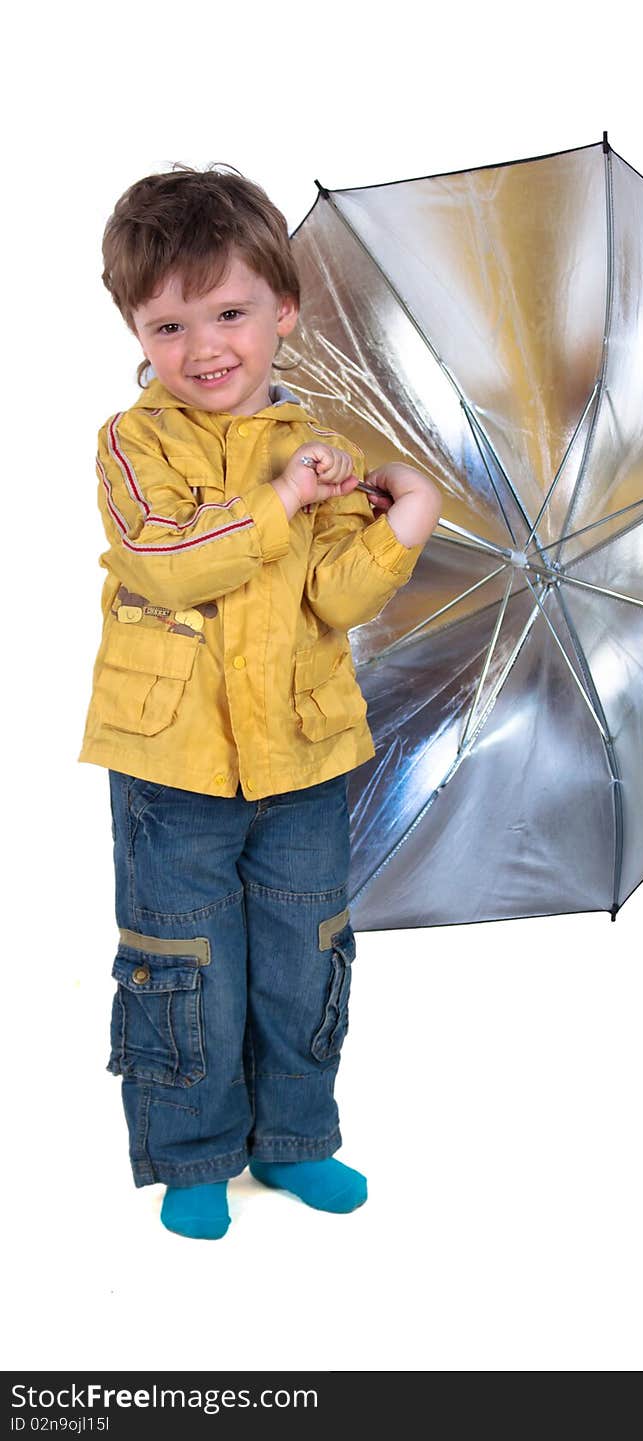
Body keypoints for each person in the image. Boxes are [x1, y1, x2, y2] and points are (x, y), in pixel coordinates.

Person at [78, 163, 442, 1240]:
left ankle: (294, 1139)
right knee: (185, 957)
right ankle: (193, 1151)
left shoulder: (318, 445)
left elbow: (334, 595)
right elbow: (168, 563)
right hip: (175, 764)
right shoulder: (132, 443)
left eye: (230, 312)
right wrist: (280, 498)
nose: (204, 348)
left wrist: (399, 517)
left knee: (302, 953)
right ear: (137, 332)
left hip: (302, 755)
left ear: (282, 311)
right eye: (169, 324)